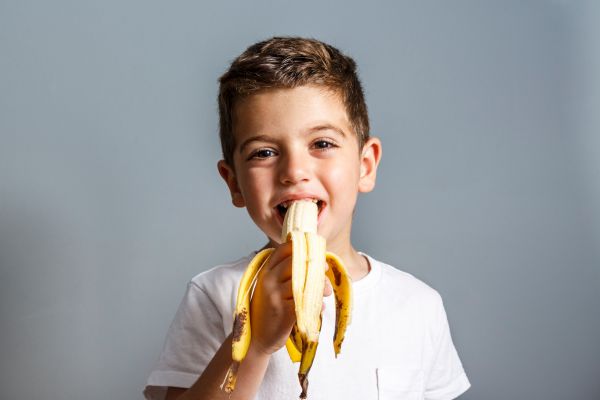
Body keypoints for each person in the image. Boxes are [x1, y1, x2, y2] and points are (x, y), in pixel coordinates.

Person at [144, 36, 470, 400]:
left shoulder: (417, 305)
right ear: (234, 182)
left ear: (365, 165)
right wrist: (253, 342)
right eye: (264, 152)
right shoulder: (215, 295)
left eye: (322, 144)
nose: (294, 171)